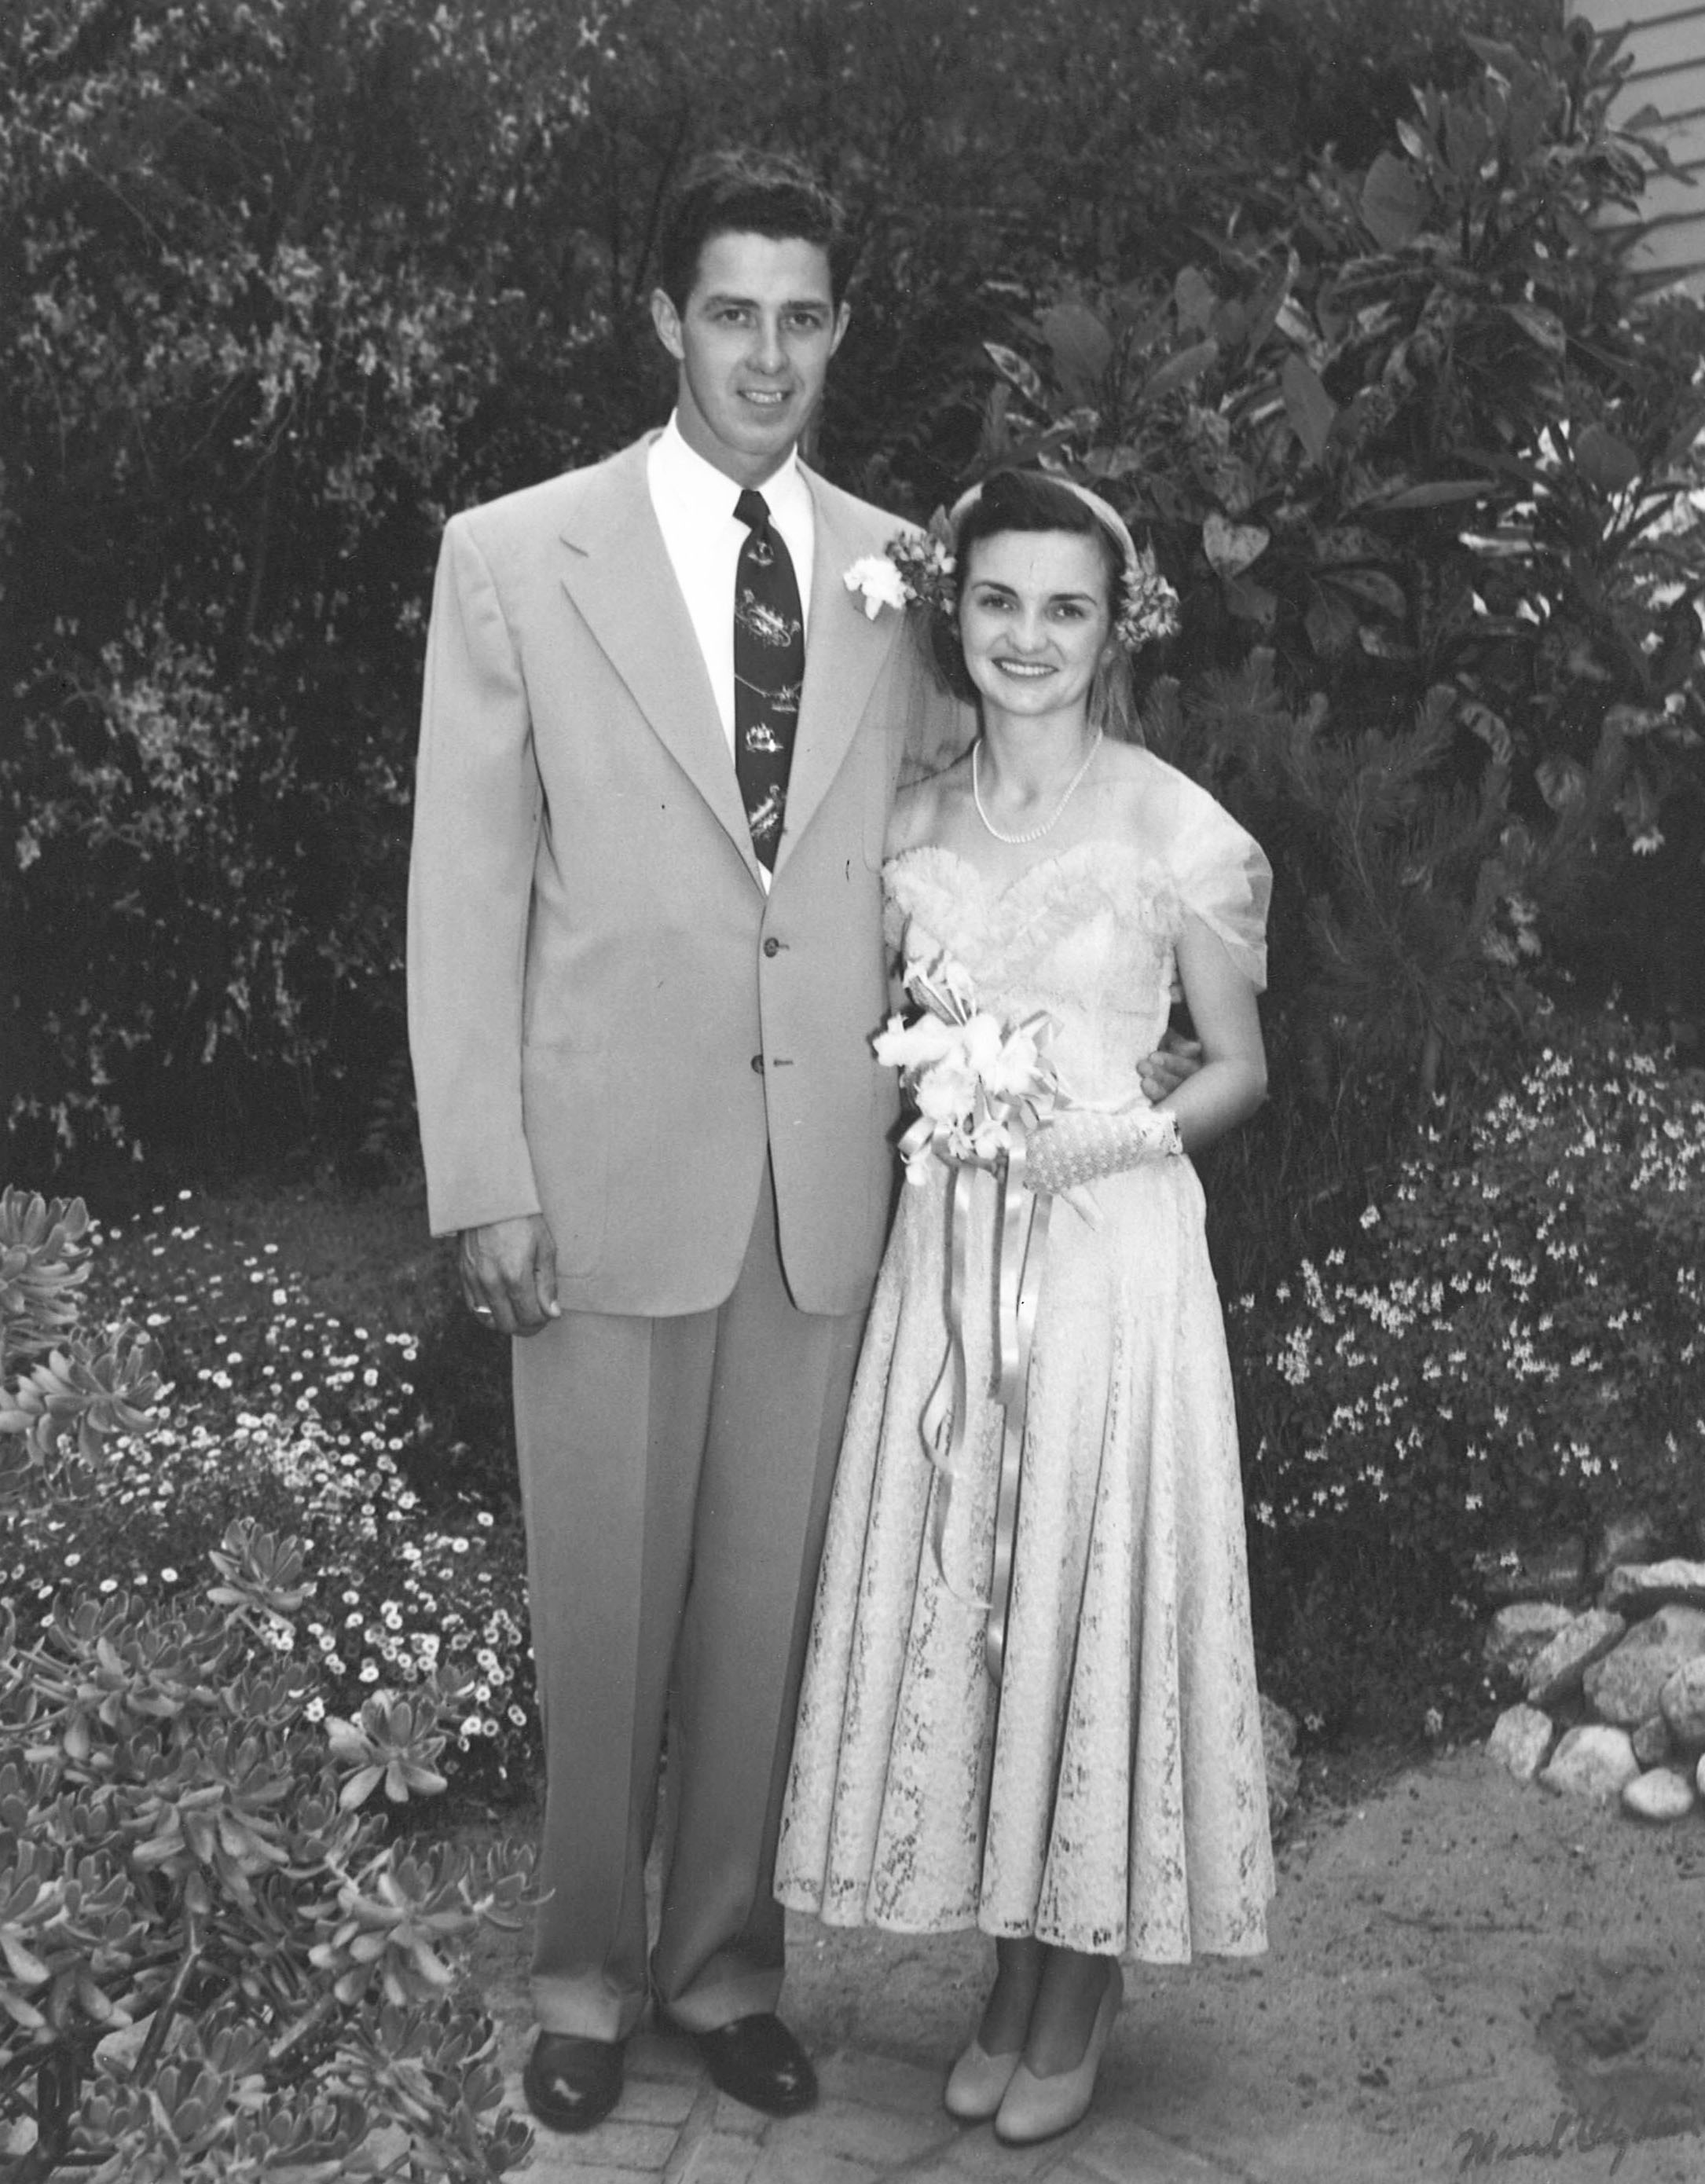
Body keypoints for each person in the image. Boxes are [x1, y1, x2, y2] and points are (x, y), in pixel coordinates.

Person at [405, 149, 976, 2133]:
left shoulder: (908, 572)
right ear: (663, 320)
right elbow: (462, 890)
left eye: (799, 316)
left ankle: (728, 1965)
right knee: (599, 1606)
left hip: (816, 1181)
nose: (764, 353)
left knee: (759, 1611)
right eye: (727, 311)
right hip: (593, 1169)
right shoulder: (514, 556)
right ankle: (579, 1972)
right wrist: (480, 1171)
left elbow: (964, 838)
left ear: (837, 329)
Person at [775, 468, 1275, 2146]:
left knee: (1088, 1586)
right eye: (998, 602)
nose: (1026, 638)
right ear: (954, 611)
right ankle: (1008, 1977)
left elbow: (1236, 1067)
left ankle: (1078, 1987)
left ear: (1112, 626)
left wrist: (1100, 1137)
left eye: (1065, 608)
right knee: (988, 1597)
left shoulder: (1172, 826)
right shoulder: (906, 818)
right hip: (952, 1273)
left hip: (1108, 1257)